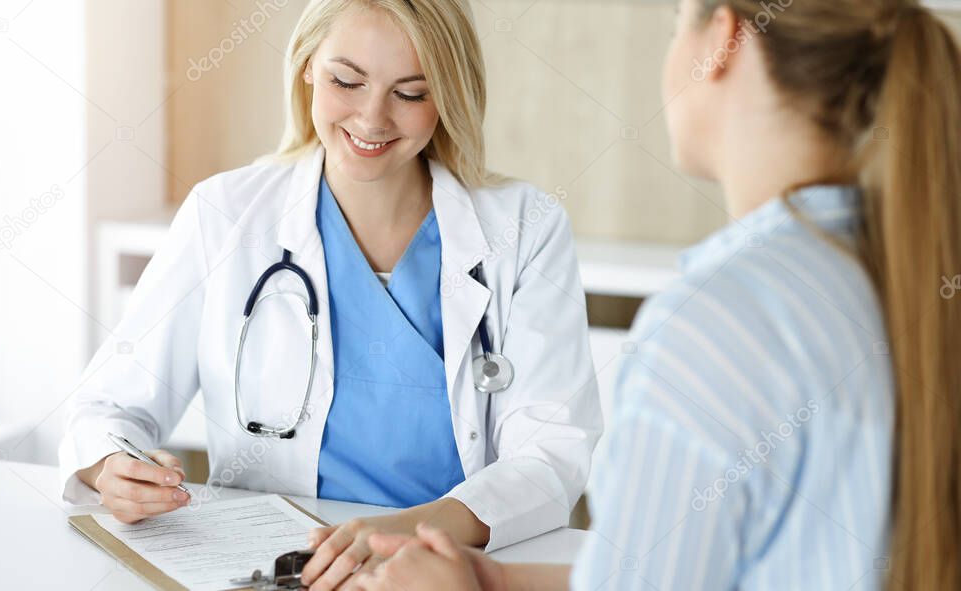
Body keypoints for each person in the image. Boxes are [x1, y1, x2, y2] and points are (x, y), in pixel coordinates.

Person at [352, 0, 961, 589]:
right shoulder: (899, 272)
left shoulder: (716, 324)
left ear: (722, 40)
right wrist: (499, 583)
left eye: (677, 23)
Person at [57, 0, 602, 589]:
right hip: (275, 570)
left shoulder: (524, 228)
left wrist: (408, 533)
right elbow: (107, 408)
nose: (372, 119)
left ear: (447, 96)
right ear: (308, 67)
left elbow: (552, 455)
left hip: (438, 573)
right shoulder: (226, 214)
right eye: (347, 80)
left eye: (411, 93)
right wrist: (115, 466)